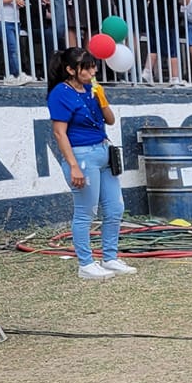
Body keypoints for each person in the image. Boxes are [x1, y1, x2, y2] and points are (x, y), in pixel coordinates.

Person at [46, 47, 134, 279]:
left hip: (103, 150)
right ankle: (85, 263)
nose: (93, 70)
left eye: (93, 66)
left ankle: (110, 257)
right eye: (87, 67)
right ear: (71, 70)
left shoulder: (91, 89)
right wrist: (73, 164)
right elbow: (59, 133)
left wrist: (102, 99)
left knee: (115, 208)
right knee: (86, 212)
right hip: (82, 155)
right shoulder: (60, 93)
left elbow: (110, 120)